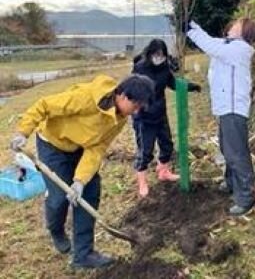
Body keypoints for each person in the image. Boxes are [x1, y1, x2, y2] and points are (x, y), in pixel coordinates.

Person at [9, 74, 154, 269]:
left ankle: (83, 255)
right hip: (53, 145)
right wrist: (22, 132)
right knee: (59, 198)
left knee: (89, 192)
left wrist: (80, 180)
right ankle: (56, 229)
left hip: (80, 148)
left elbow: (97, 149)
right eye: (136, 105)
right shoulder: (86, 97)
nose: (137, 111)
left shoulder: (118, 119)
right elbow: (44, 105)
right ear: (123, 96)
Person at [187, 19, 255, 216]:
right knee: (226, 148)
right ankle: (230, 182)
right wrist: (196, 27)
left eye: (237, 25)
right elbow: (213, 42)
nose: (232, 26)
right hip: (225, 107)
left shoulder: (240, 49)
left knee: (237, 153)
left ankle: (245, 197)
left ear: (245, 32)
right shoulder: (229, 45)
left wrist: (191, 32)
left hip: (233, 109)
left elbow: (210, 46)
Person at [132, 39, 201, 197]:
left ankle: (163, 171)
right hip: (144, 117)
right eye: (156, 55)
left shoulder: (164, 68)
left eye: (162, 55)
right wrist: (138, 109)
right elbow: (132, 89)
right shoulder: (140, 67)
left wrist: (190, 86)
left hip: (160, 114)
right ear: (149, 54)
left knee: (167, 145)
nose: (159, 58)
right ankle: (142, 182)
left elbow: (173, 83)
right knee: (145, 151)